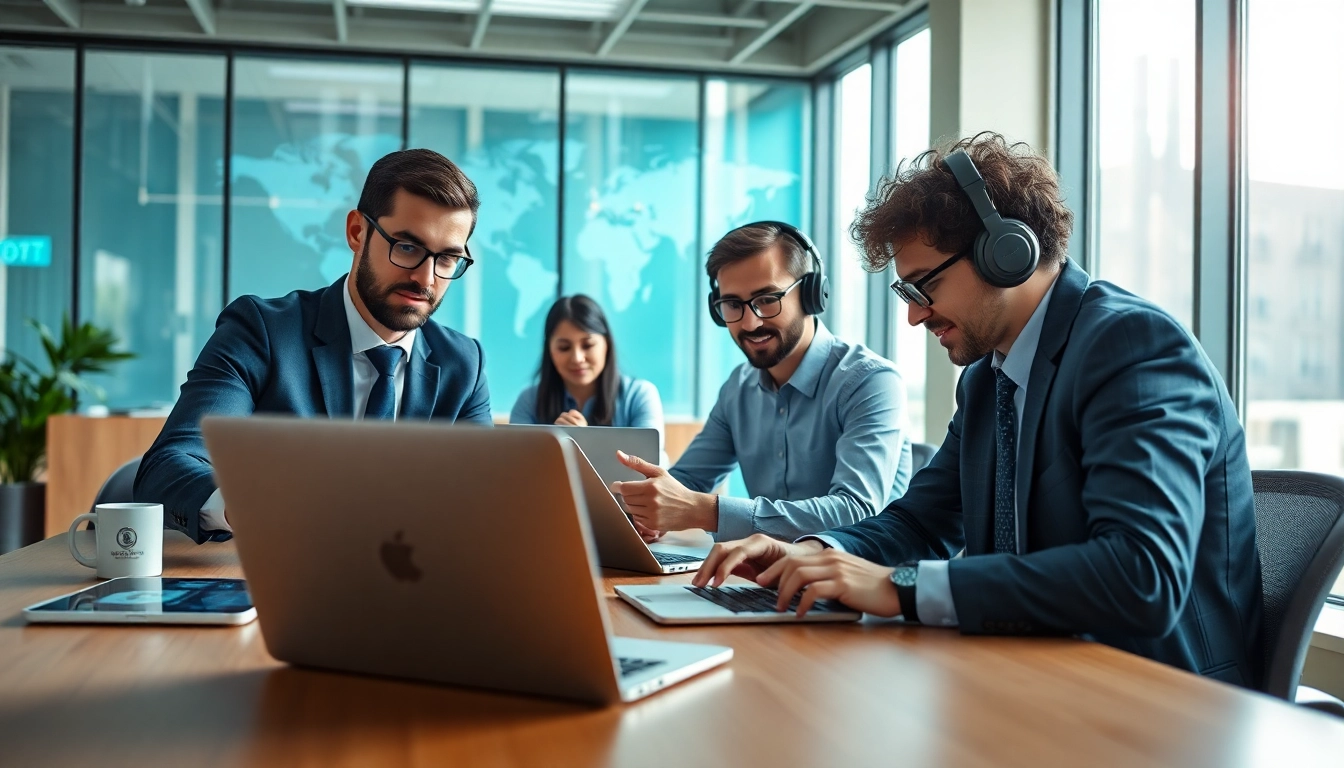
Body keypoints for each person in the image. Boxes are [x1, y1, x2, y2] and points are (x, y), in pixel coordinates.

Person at [693, 133, 1263, 688]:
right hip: (1026, 676)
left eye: (924, 286)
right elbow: (922, 520)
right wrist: (813, 553)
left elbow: (1141, 576)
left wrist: (902, 587)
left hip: (1154, 700)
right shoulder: (990, 378)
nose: (916, 317)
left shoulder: (1131, 346)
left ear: (1006, 253)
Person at [136, 149, 493, 544]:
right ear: (357, 232)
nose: (425, 278)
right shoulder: (262, 331)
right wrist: (254, 505)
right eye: (407, 247)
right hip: (275, 579)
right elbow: (168, 467)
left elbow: (479, 502)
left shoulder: (464, 364)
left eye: (446, 259)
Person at [610, 221, 914, 544]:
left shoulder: (871, 382)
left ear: (812, 294)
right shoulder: (738, 390)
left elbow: (854, 512)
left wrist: (706, 511)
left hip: (860, 587)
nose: (750, 321)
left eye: (767, 299)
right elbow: (687, 485)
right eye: (732, 305)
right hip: (765, 584)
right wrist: (644, 509)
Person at [509, 295, 664, 445]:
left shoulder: (639, 396)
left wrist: (587, 442)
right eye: (564, 347)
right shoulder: (529, 401)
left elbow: (648, 464)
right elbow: (517, 465)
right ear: (549, 350)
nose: (577, 358)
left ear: (607, 344)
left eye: (588, 345)